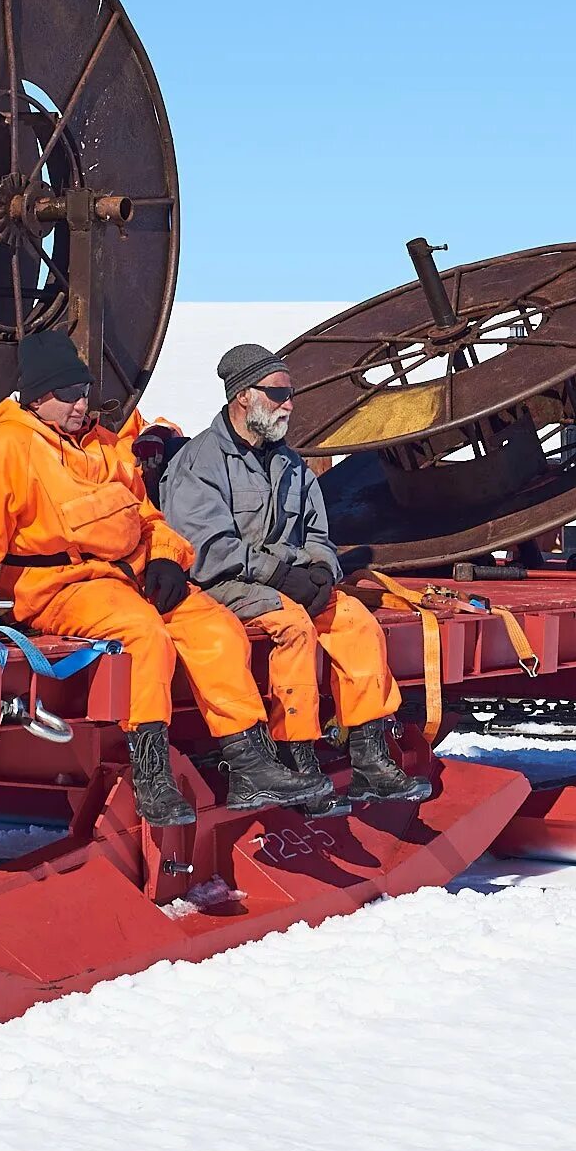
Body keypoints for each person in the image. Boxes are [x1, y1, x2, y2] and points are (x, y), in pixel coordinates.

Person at [0, 331, 329, 827]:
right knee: (145, 636)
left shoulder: (104, 446)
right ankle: (152, 775)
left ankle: (250, 763)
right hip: (59, 587)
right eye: (68, 394)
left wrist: (164, 558)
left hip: (132, 577)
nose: (81, 403)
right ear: (36, 397)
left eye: (84, 391)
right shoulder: (3, 449)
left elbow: (148, 518)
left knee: (217, 627)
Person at [160, 344, 429, 806]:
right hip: (219, 585)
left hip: (284, 581)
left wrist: (323, 572)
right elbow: (208, 551)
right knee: (293, 624)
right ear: (243, 396)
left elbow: (320, 534)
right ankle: (295, 758)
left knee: (355, 621)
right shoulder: (199, 464)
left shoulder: (291, 465)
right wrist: (282, 576)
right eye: (279, 392)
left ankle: (369, 757)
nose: (290, 403)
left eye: (291, 393)